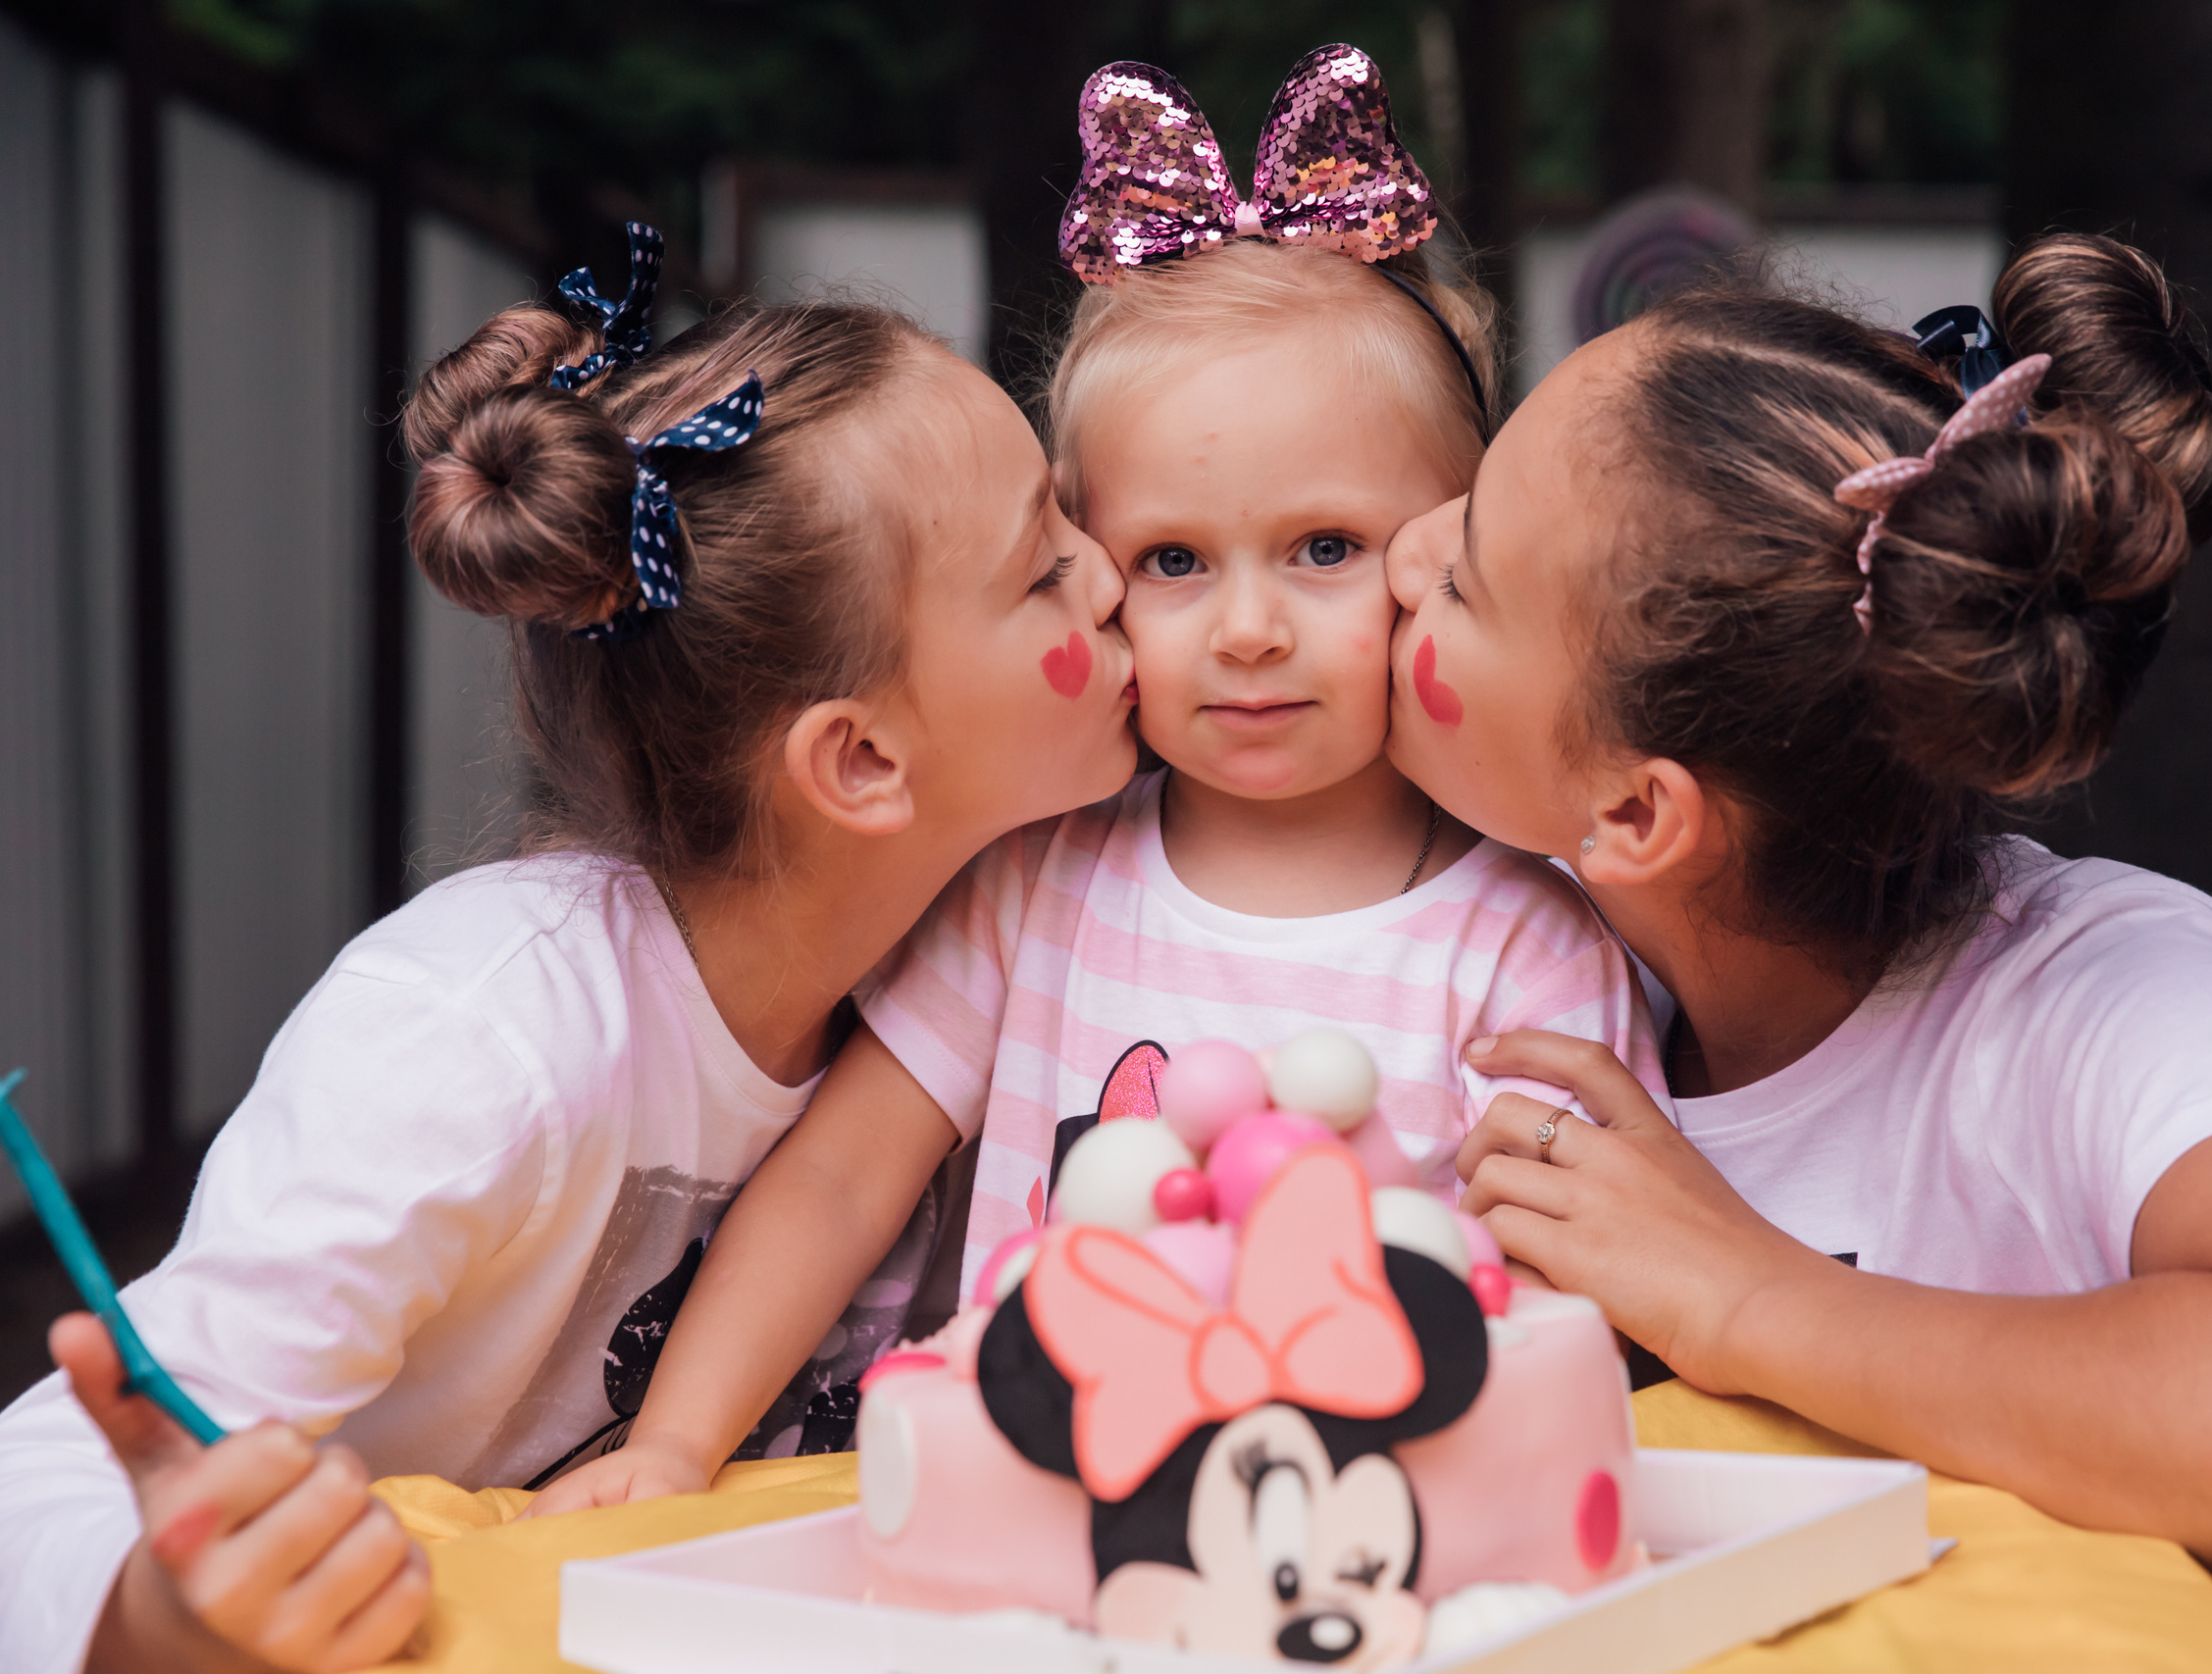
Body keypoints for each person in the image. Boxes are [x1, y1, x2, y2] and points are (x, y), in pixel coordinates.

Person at [522, 50, 1662, 1518]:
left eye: (1326, 548)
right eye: (1173, 560)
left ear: (1448, 545)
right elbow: (840, 1183)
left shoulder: (1530, 949)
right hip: (1018, 1530)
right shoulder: (1037, 878)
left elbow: (1578, 1324)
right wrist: (675, 1445)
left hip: (1352, 1553)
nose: (1248, 629)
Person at [0, 241, 1140, 1674]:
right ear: (859, 760)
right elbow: (50, 1483)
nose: (1113, 575)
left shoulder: (1031, 931)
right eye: (1044, 568)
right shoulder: (476, 1038)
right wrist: (158, 1618)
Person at [1382, 233, 2212, 1671]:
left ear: (1635, 812)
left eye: (1467, 574)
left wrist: (1755, 1299)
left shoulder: (2117, 987)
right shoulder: (1511, 950)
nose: (1406, 550)